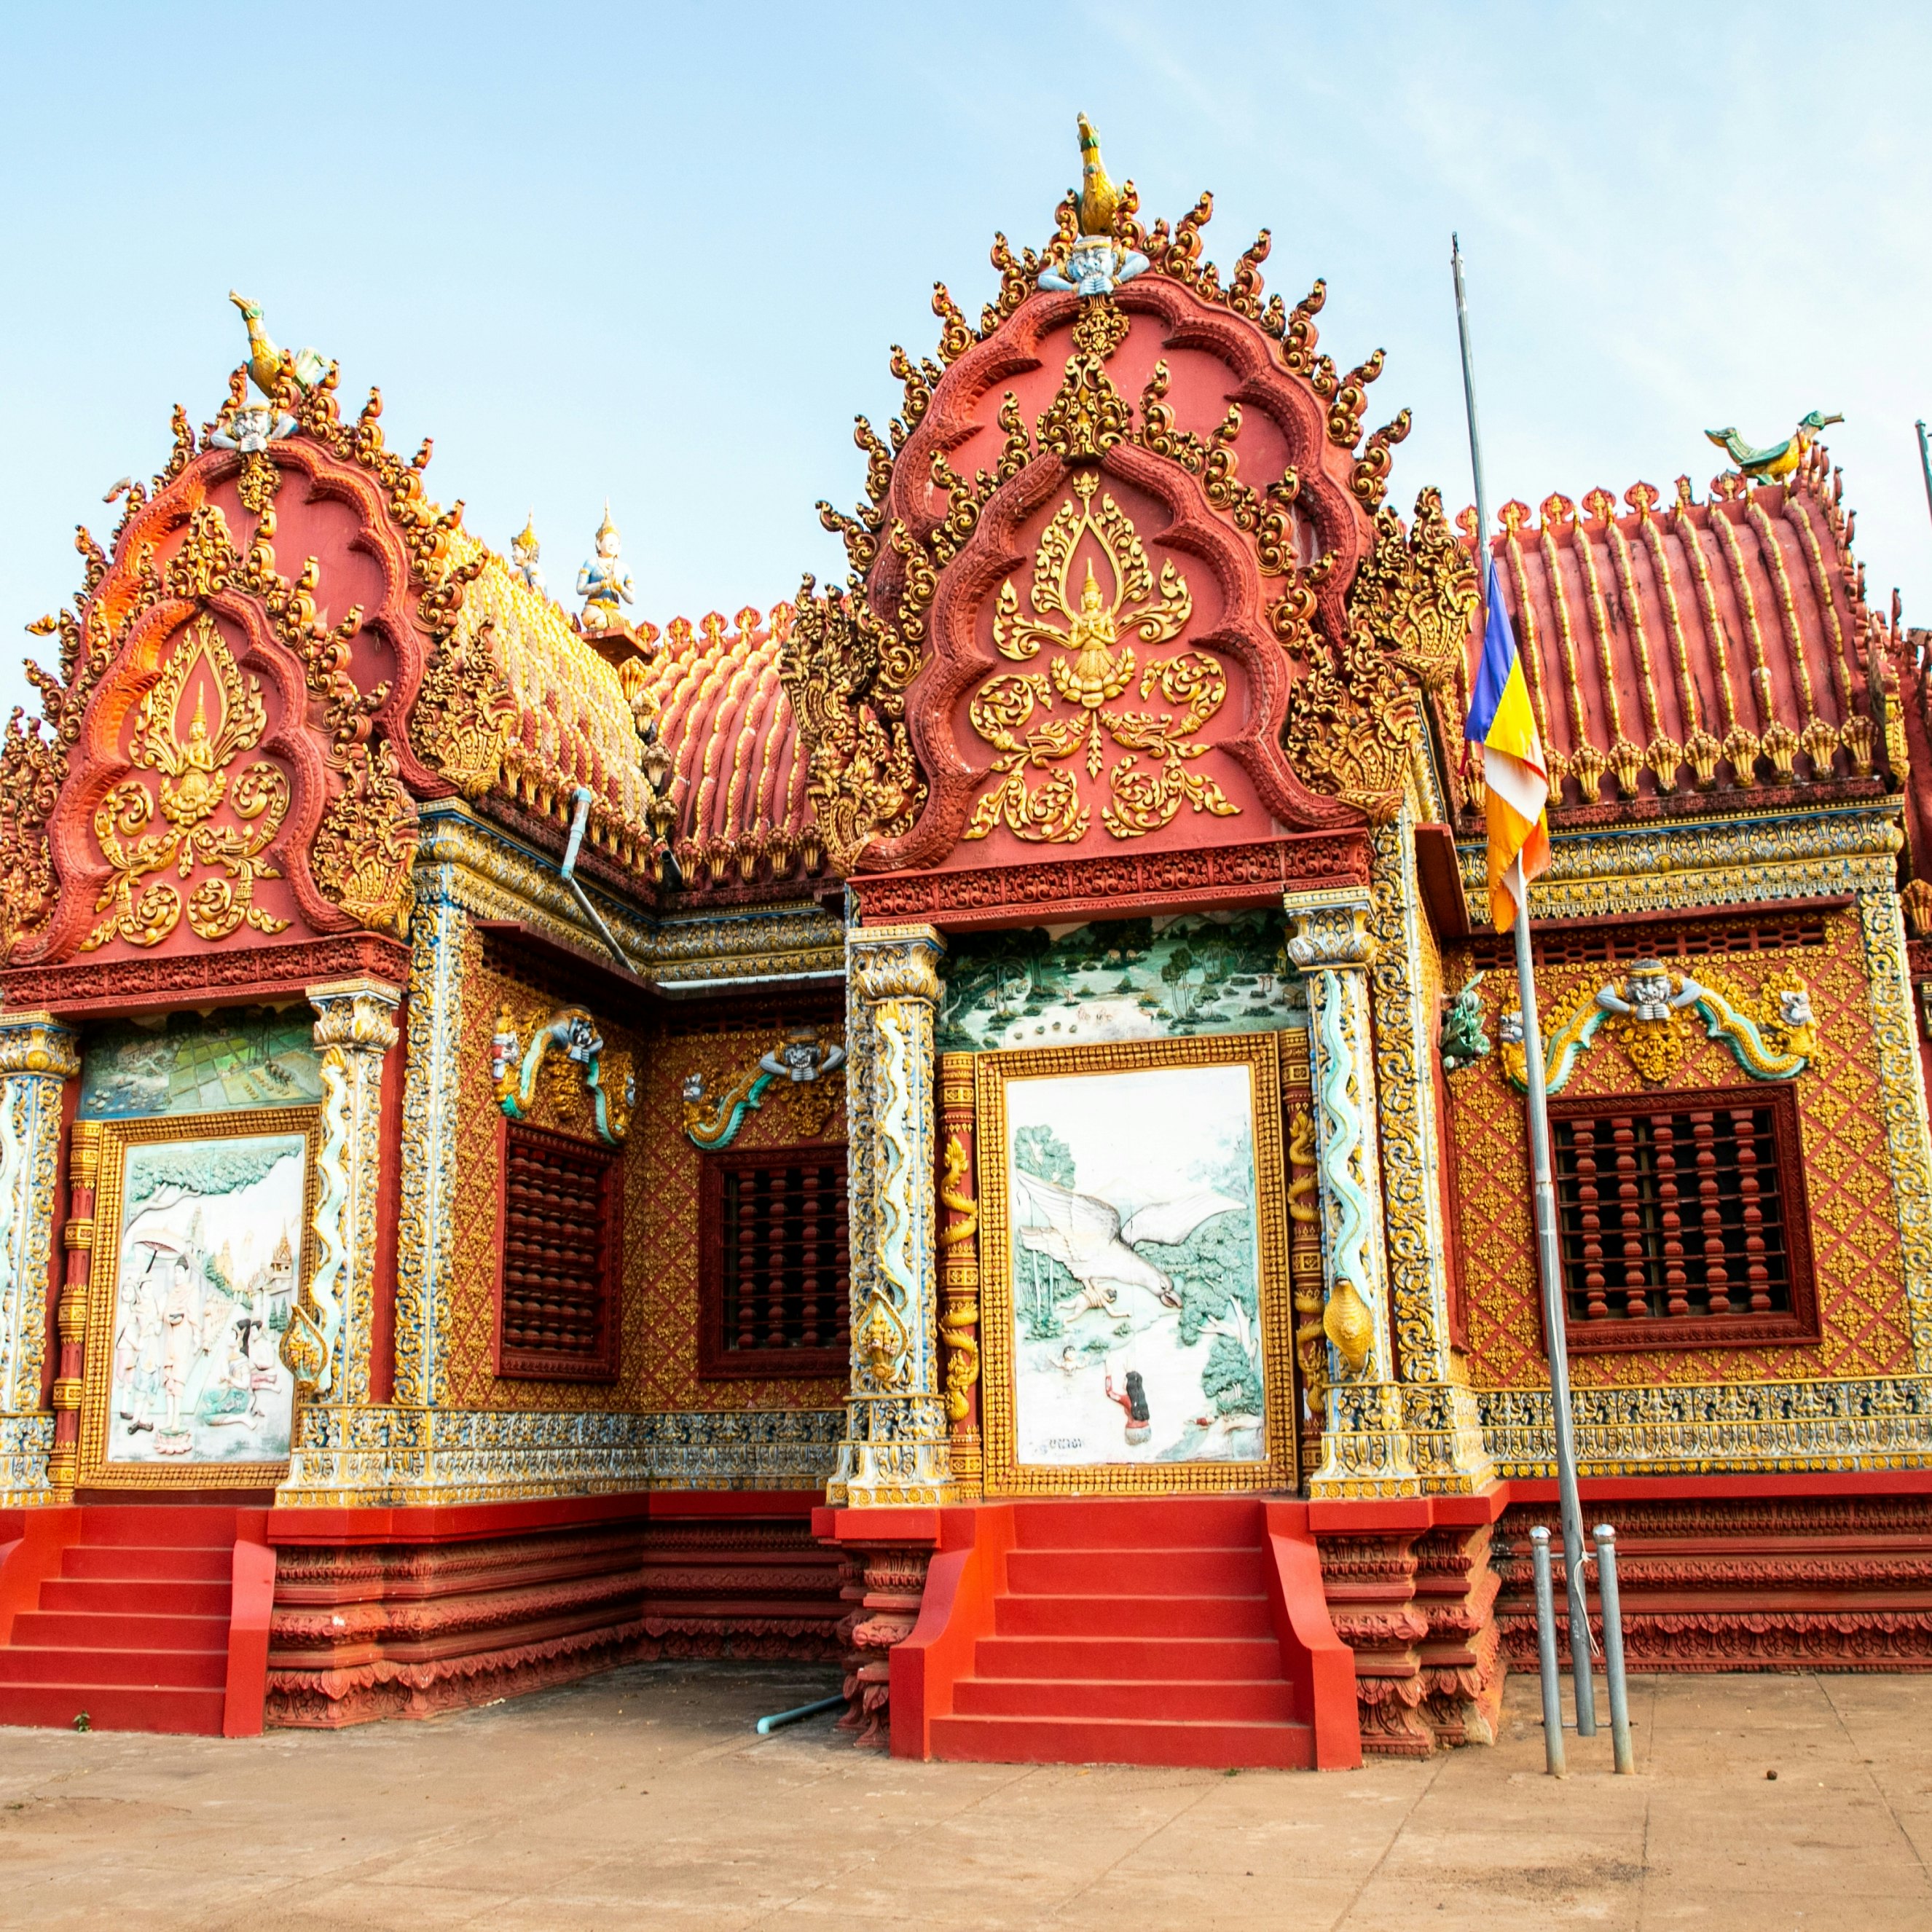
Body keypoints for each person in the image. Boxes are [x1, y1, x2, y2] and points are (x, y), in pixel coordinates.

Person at [1104, 1364, 1152, 1448]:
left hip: (1133, 1432)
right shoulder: (1141, 1397)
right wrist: (1130, 1372)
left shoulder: (1127, 1400)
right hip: (1147, 1430)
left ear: (1130, 1383)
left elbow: (1110, 1393)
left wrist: (1108, 1374)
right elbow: (1134, 1379)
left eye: (1125, 1380)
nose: (1123, 1382)